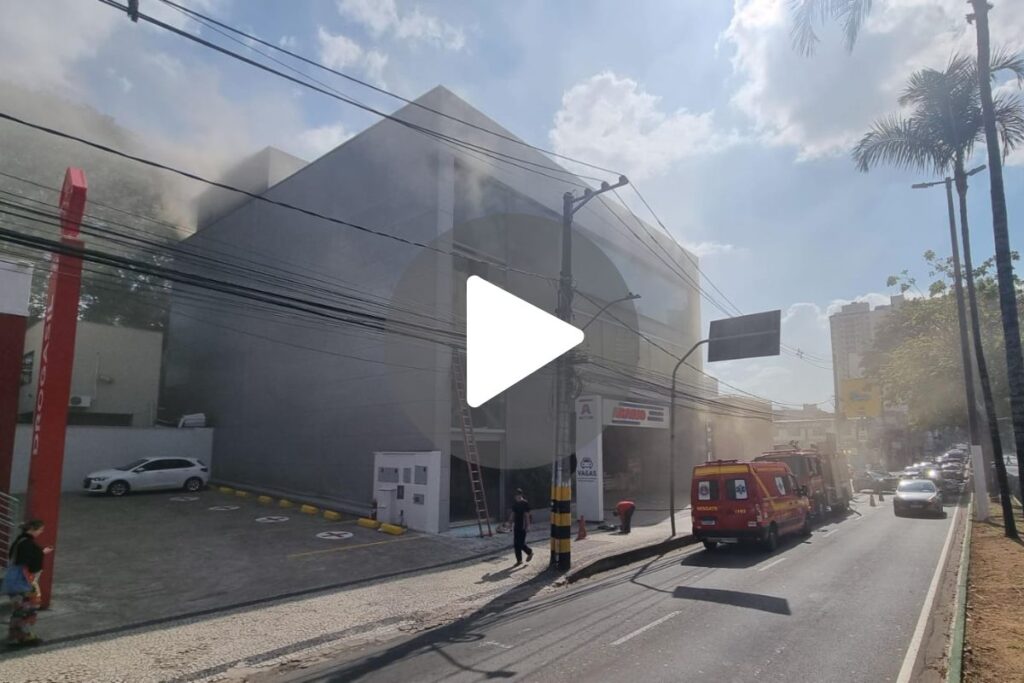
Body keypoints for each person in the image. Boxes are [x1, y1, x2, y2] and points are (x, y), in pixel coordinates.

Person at [6, 520, 52, 647]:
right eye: (40, 530)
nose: (41, 532)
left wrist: (40, 552)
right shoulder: (27, 544)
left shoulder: (19, 541)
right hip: (24, 582)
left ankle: (15, 635)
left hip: (16, 581)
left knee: (19, 610)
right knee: (28, 609)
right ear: (32, 529)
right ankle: (24, 636)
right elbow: (28, 562)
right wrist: (40, 554)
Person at [508, 489, 533, 565]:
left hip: (523, 526)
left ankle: (529, 552)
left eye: (518, 495)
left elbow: (527, 515)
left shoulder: (525, 503)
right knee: (516, 544)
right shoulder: (515, 504)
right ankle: (519, 560)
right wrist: (509, 523)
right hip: (517, 525)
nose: (517, 497)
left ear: (521, 495)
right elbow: (512, 514)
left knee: (521, 543)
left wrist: (528, 526)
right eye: (516, 496)